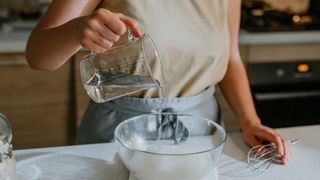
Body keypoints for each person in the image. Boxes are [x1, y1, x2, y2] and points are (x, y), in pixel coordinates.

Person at [26, 0, 291, 164]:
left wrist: (250, 121)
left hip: (201, 138)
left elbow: (230, 55)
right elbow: (37, 55)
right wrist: (76, 30)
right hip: (118, 139)